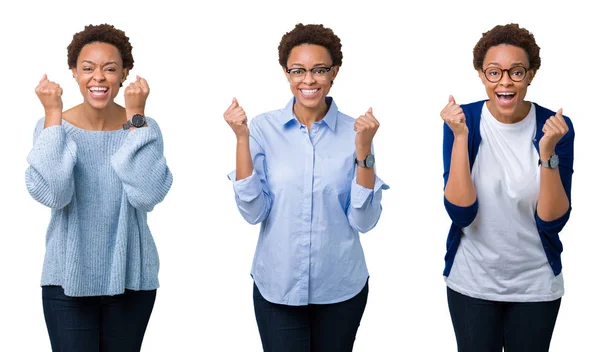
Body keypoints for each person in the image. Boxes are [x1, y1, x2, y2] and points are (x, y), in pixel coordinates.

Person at [224, 23, 388, 352]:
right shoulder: (262, 128)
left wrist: (364, 150)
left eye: (319, 70)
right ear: (286, 73)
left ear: (334, 72)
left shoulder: (356, 131)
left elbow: (364, 221)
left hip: (340, 287)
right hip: (278, 286)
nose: (308, 80)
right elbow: (253, 212)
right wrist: (241, 139)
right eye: (298, 70)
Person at [25, 24, 173, 352]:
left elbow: (148, 194)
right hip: (66, 280)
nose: (98, 77)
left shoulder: (144, 128)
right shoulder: (53, 128)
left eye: (110, 68)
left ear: (124, 74)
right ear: (74, 73)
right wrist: (52, 114)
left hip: (131, 279)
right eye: (88, 68)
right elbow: (54, 193)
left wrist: (136, 116)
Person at [440, 23, 574, 352]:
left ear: (530, 75)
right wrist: (459, 138)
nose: (505, 82)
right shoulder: (463, 122)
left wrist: (547, 154)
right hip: (472, 281)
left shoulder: (556, 128)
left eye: (516, 72)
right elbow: (461, 212)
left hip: (535, 284)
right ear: (481, 75)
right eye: (494, 72)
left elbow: (553, 220)